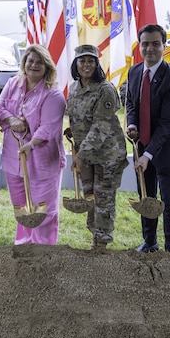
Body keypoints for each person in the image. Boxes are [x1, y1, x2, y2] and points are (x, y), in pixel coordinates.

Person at [0, 44, 66, 244]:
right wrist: (12, 120)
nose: (34, 65)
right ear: (24, 62)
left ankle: (43, 249)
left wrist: (31, 144)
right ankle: (24, 244)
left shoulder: (53, 94)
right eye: (30, 60)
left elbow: (49, 128)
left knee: (43, 210)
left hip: (42, 160)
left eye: (39, 62)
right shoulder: (12, 84)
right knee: (22, 207)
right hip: (13, 158)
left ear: (47, 66)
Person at [125, 24, 170, 253]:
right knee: (146, 197)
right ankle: (149, 242)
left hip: (165, 150)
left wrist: (149, 154)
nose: (150, 48)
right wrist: (132, 124)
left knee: (168, 201)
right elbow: (131, 103)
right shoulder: (134, 72)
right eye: (145, 44)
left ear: (164, 46)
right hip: (141, 148)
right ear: (140, 46)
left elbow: (168, 123)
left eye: (155, 44)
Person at [66, 44, 128, 249]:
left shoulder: (105, 90)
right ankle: (95, 237)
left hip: (107, 155)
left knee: (103, 199)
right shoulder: (74, 88)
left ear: (97, 64)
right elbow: (77, 118)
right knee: (90, 196)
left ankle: (102, 242)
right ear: (76, 64)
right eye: (82, 60)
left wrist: (81, 156)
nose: (86, 64)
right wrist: (71, 131)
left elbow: (100, 125)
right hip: (87, 155)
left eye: (91, 61)